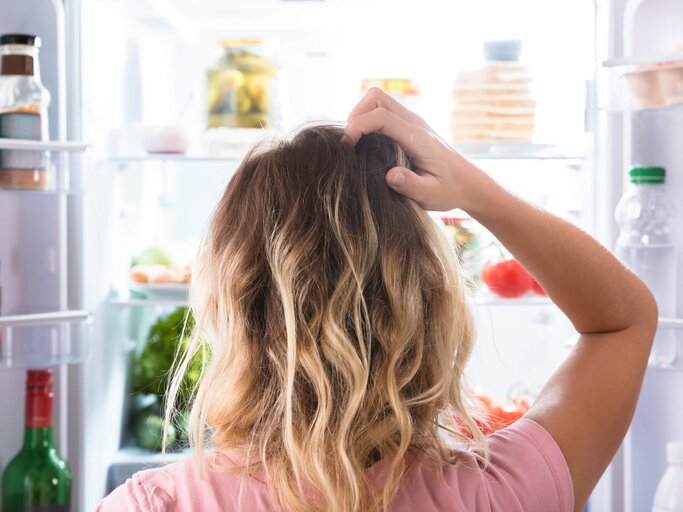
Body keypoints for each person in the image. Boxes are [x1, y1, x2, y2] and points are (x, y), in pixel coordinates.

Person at [98, 88, 657, 512]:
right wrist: (471, 187)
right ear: (430, 302)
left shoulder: (155, 503)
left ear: (231, 307)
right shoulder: (497, 492)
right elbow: (624, 321)